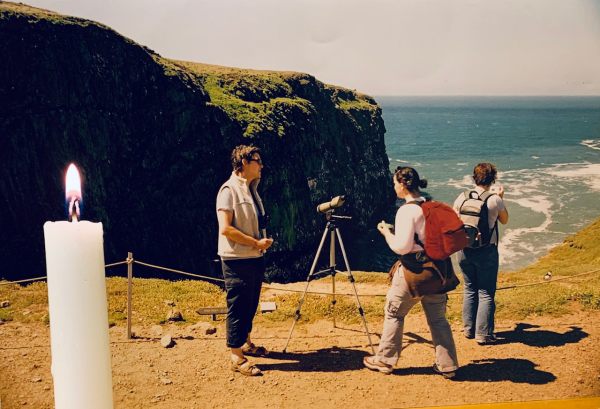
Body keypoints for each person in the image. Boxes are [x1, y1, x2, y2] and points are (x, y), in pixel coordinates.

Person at [363, 166, 459, 377]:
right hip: (438, 271)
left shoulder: (407, 211)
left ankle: (385, 360)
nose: (394, 187)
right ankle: (448, 365)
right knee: (438, 319)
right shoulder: (432, 206)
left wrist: (386, 233)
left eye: (395, 183)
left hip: (414, 272)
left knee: (394, 312)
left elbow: (402, 247)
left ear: (404, 184)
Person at [216, 145, 274, 376]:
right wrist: (255, 243)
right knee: (238, 306)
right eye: (257, 161)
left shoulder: (250, 189)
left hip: (253, 256)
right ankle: (236, 356)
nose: (261, 165)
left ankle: (246, 342)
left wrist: (259, 244)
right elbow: (226, 228)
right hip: (237, 259)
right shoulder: (228, 190)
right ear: (243, 163)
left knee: (250, 303)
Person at [453, 162, 509, 345]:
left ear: (474, 177)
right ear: (493, 178)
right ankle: (483, 334)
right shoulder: (494, 199)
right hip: (486, 251)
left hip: (464, 250)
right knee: (485, 292)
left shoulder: (462, 197)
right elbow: (504, 220)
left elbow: (455, 221)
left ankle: (469, 329)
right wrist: (500, 197)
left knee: (469, 289)